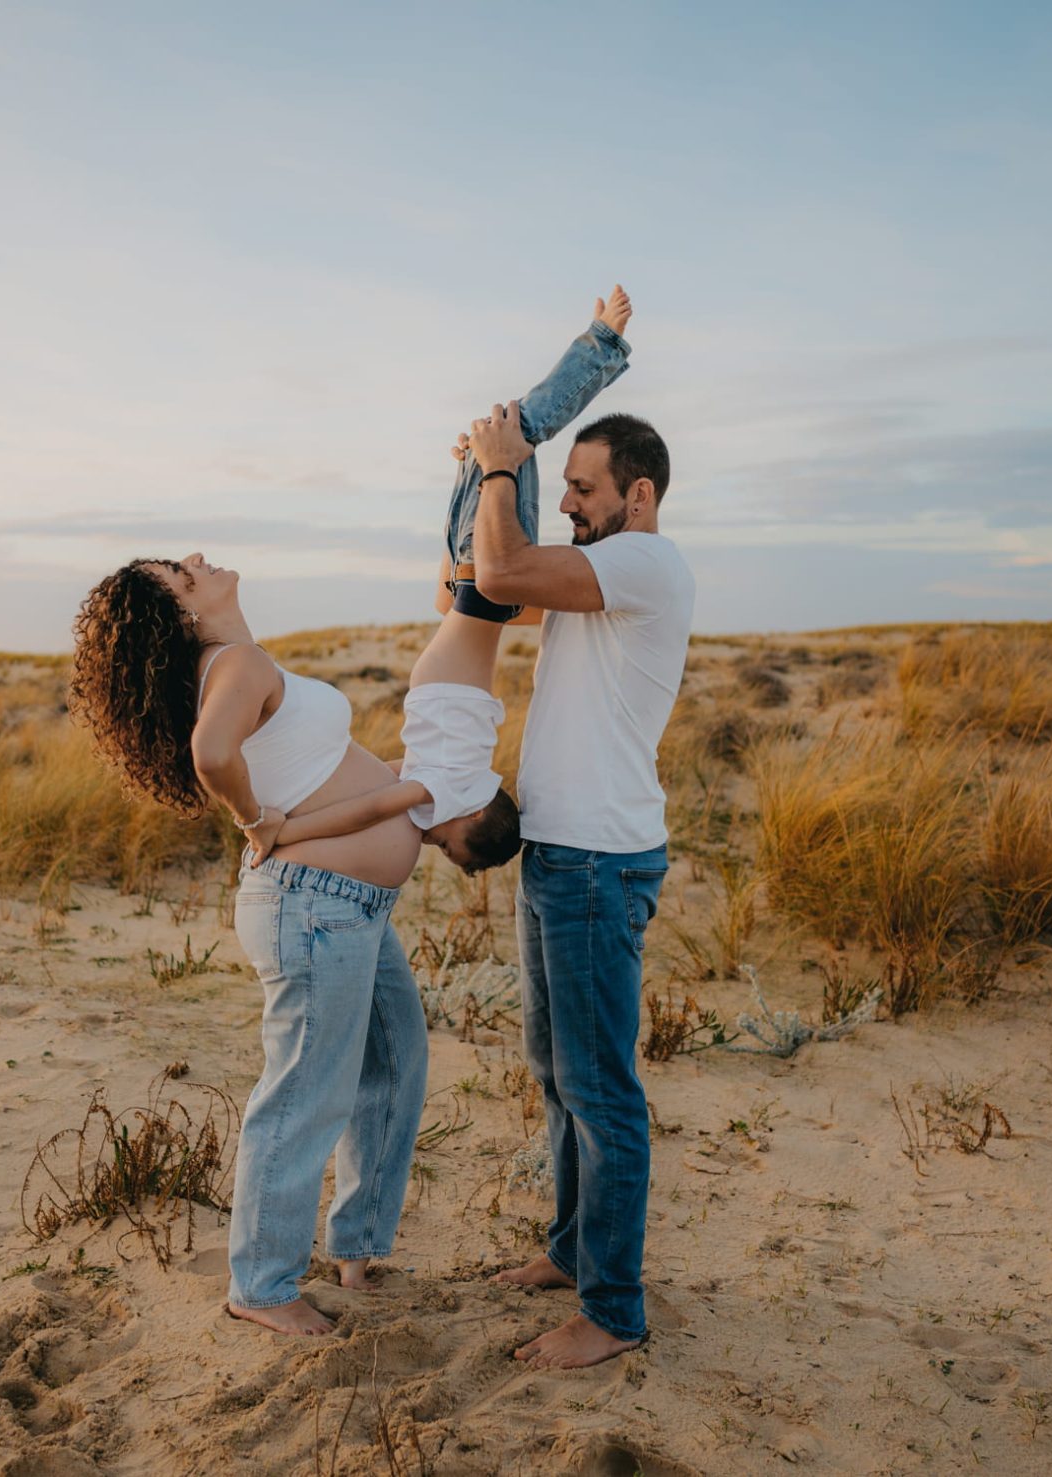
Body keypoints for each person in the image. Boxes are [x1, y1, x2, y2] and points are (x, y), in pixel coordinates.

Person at [66, 553, 425, 1338]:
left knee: (394, 1057)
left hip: (347, 905)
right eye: (178, 571)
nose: (197, 560)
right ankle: (260, 1284)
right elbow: (213, 755)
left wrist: (388, 781)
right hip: (315, 907)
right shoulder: (236, 663)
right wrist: (255, 818)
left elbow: (301, 766)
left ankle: (358, 1245)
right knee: (304, 1092)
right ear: (180, 613)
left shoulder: (238, 662)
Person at [245, 287, 635, 876]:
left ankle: (546, 399)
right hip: (482, 593)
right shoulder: (450, 788)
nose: (435, 846)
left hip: (465, 593)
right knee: (517, 429)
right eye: (451, 848)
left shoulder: (447, 777)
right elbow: (372, 806)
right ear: (473, 815)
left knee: (477, 449)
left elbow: (371, 784)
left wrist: (289, 802)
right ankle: (603, 343)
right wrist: (281, 831)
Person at [463, 397, 694, 1370]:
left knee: (600, 1090)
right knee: (559, 1075)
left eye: (582, 488)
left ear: (637, 496)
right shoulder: (597, 568)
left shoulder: (644, 560)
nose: (566, 503)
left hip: (598, 862)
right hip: (561, 855)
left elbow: (502, 571)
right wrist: (479, 483)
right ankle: (570, 1252)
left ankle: (613, 1309)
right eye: (562, 487)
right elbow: (478, 586)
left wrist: (500, 467)